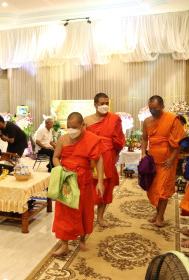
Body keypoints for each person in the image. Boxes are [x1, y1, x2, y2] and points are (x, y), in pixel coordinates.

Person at [52, 112, 104, 256]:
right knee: (64, 213)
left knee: (84, 210)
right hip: (67, 179)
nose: (71, 130)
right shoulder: (63, 139)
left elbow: (99, 160)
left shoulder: (92, 139)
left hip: (84, 179)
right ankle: (64, 245)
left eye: (74, 127)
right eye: (68, 127)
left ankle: (82, 239)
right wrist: (59, 168)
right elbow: (56, 158)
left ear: (82, 126)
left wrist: (100, 182)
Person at [141, 95, 186, 227]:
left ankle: (160, 217)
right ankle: (157, 214)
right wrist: (143, 153)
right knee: (155, 189)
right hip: (152, 161)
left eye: (155, 108)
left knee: (163, 190)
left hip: (167, 161)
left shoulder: (172, 119)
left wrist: (172, 159)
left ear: (162, 107)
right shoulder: (147, 121)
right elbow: (144, 139)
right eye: (150, 108)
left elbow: (179, 142)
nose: (152, 110)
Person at [84, 93, 125, 227]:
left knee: (105, 187)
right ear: (95, 105)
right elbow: (82, 140)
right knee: (89, 188)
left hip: (108, 156)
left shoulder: (114, 119)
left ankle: (100, 217)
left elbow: (119, 139)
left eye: (107, 103)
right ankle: (88, 214)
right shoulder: (87, 120)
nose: (105, 106)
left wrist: (117, 154)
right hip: (91, 157)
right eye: (102, 103)